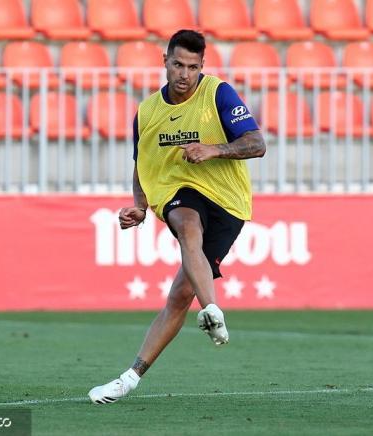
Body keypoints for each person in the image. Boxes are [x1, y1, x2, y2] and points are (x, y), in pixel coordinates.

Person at [88, 29, 266, 404]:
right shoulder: (147, 112)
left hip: (228, 203)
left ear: (202, 66)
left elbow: (256, 144)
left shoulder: (218, 93)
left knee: (180, 295)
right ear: (165, 61)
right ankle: (209, 311)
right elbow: (143, 165)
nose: (184, 74)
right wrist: (140, 205)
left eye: (192, 67)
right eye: (178, 65)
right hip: (178, 190)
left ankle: (136, 372)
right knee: (187, 225)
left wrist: (213, 149)